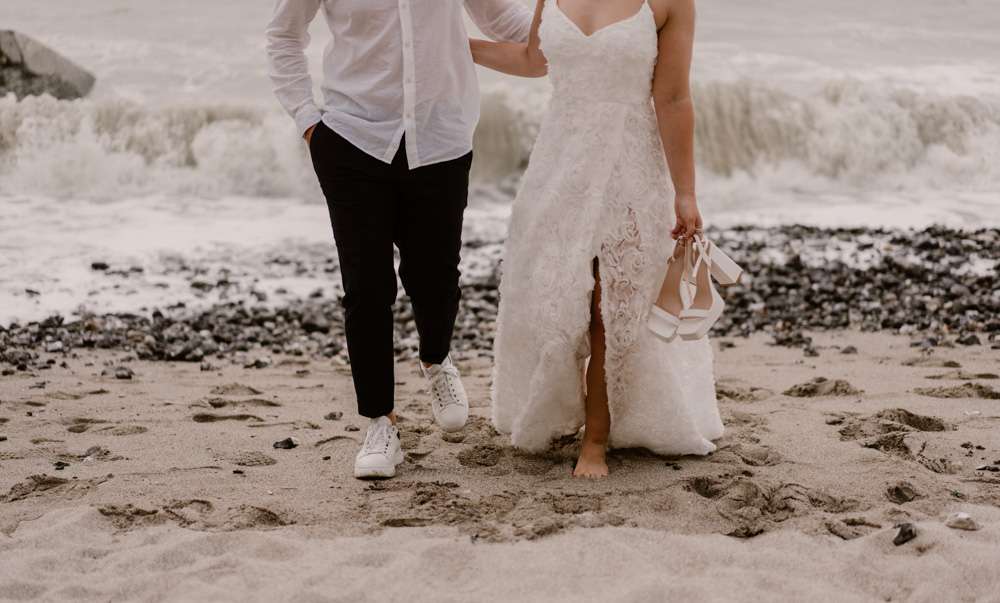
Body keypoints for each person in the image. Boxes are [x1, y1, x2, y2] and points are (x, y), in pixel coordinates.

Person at [266, 0, 534, 479]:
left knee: (435, 280)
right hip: (351, 138)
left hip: (441, 138)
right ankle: (379, 422)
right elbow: (285, 35)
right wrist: (309, 121)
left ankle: (435, 359)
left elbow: (506, 22)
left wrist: (585, 21)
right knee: (367, 288)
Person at [473, 0, 724, 477]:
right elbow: (532, 60)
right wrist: (458, 49)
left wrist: (686, 192)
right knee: (556, 298)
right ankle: (561, 411)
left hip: (629, 164)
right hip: (558, 163)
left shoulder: (669, 3)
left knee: (610, 304)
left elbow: (672, 98)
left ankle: (596, 438)